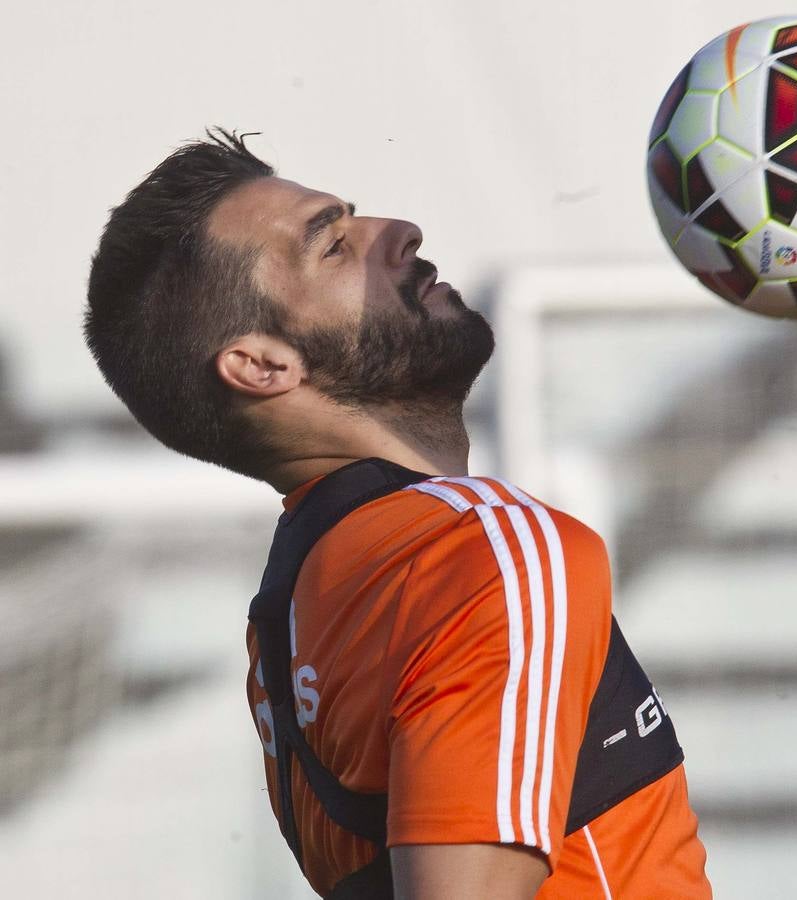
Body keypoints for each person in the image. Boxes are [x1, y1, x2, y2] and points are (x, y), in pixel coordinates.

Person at [83, 130, 711, 900]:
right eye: (334, 246)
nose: (399, 230)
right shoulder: (482, 549)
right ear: (263, 363)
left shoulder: (286, 619)